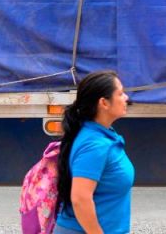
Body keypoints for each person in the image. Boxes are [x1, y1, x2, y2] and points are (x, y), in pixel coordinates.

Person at [55, 71, 134, 234]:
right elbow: (80, 199)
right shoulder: (94, 145)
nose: (126, 97)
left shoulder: (100, 135)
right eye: (120, 93)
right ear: (104, 103)